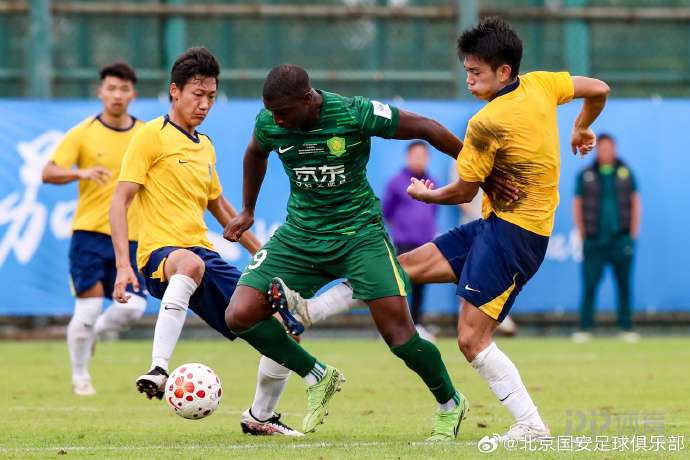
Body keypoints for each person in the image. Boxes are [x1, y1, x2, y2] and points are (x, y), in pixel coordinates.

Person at [281, 17, 610, 442]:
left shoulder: (487, 122)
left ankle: (531, 425)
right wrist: (581, 126)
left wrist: (427, 194)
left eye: (475, 72)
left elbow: (462, 192)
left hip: (516, 235)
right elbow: (598, 89)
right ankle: (311, 311)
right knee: (400, 269)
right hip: (497, 225)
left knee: (471, 340)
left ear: (503, 71)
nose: (468, 80)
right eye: (466, 70)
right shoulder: (543, 84)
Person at [224, 64, 469, 440]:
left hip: (359, 236)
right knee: (240, 313)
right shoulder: (270, 122)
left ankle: (450, 403)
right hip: (301, 235)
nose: (277, 120)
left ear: (308, 99)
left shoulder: (355, 113)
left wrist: (477, 168)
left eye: (283, 112)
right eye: (271, 112)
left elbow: (426, 127)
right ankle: (317, 376)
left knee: (400, 336)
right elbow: (255, 153)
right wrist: (247, 210)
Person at [110, 47, 301, 436]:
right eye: (197, 94)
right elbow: (120, 200)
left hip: (203, 255)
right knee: (190, 264)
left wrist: (264, 257)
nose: (204, 104)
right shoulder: (150, 136)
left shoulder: (205, 145)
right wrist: (123, 266)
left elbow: (224, 210)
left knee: (283, 327)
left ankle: (260, 417)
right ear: (174, 91)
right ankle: (159, 368)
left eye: (211, 96)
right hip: (160, 256)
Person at [41, 62, 148, 396]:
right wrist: (80, 173)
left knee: (134, 308)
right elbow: (48, 172)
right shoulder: (83, 132)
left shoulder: (146, 134)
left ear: (133, 94)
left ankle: (97, 331)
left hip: (132, 237)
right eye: (111, 88)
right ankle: (80, 377)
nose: (117, 95)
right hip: (89, 235)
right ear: (100, 92)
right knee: (86, 311)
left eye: (124, 89)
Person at [572, 133, 641, 343]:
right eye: (601, 148)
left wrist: (632, 234)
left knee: (624, 285)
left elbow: (635, 202)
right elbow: (577, 203)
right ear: (596, 150)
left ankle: (626, 327)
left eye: (609, 148)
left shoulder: (625, 173)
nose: (606, 152)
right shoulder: (586, 175)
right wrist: (582, 232)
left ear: (615, 149)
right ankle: (585, 327)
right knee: (590, 284)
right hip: (594, 240)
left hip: (621, 240)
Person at [382, 141, 438, 340]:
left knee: (422, 285)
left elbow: (433, 210)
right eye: (415, 155)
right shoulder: (397, 182)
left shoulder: (432, 182)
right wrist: (403, 228)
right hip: (404, 243)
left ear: (428, 158)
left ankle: (417, 325)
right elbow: (387, 211)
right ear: (408, 157)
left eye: (422, 155)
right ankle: (395, 326)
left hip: (426, 242)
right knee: (401, 286)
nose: (419, 159)